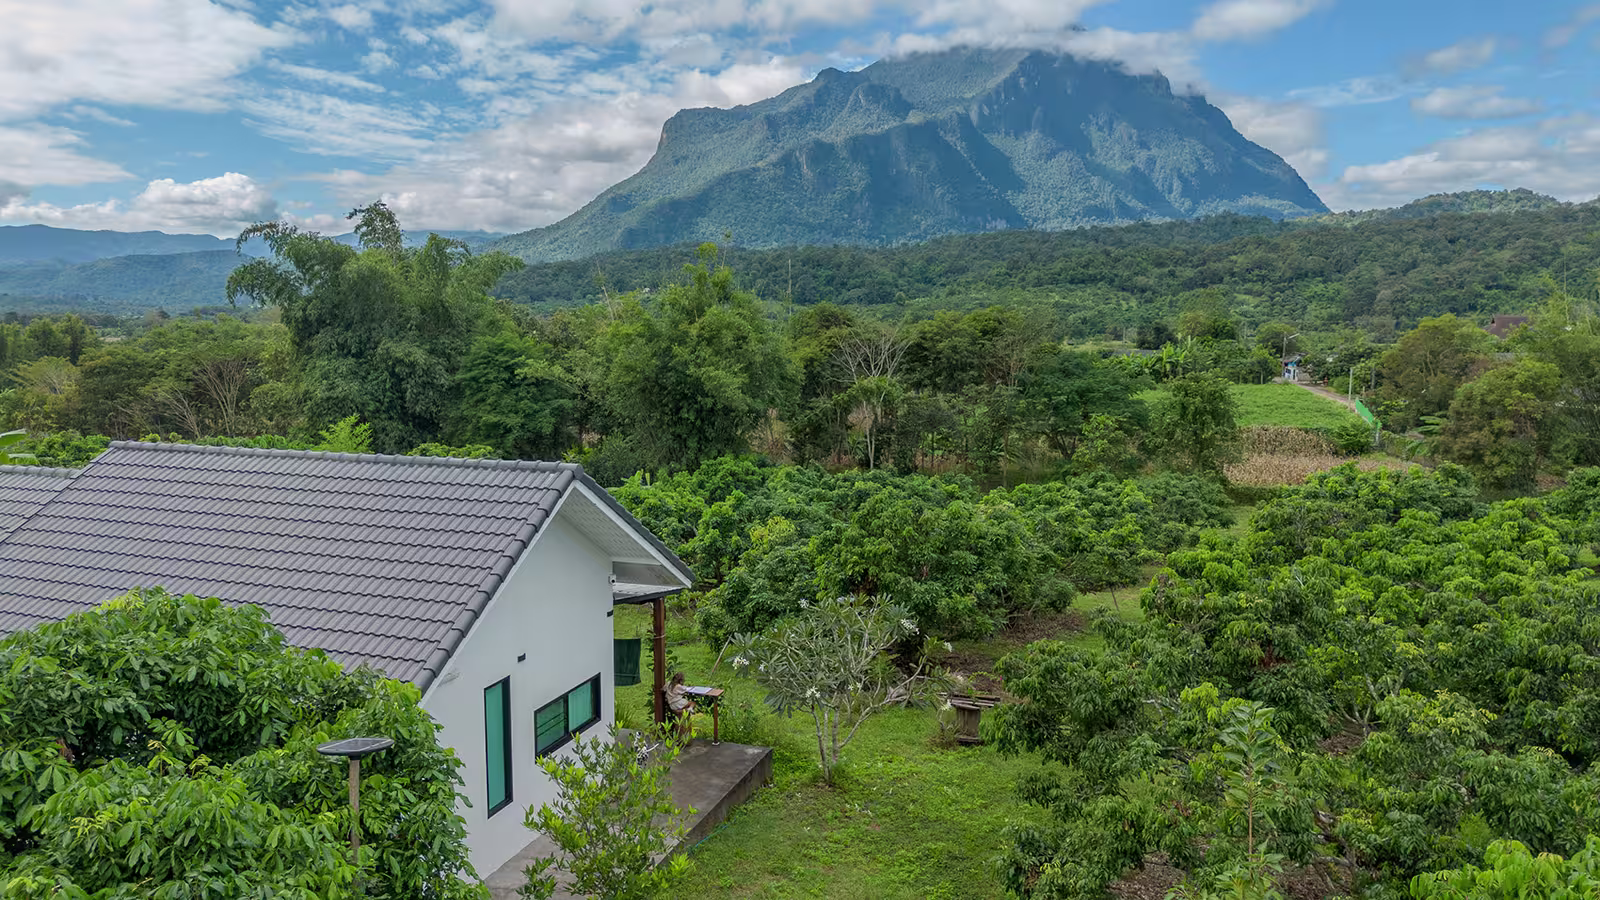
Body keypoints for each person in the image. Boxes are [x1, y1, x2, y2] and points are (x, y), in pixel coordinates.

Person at [665, 672, 693, 741]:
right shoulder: (678, 686)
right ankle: (690, 709)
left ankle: (678, 736)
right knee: (692, 703)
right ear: (680, 680)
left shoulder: (668, 684)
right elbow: (686, 689)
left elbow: (663, 689)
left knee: (679, 718)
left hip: (671, 705)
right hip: (677, 703)